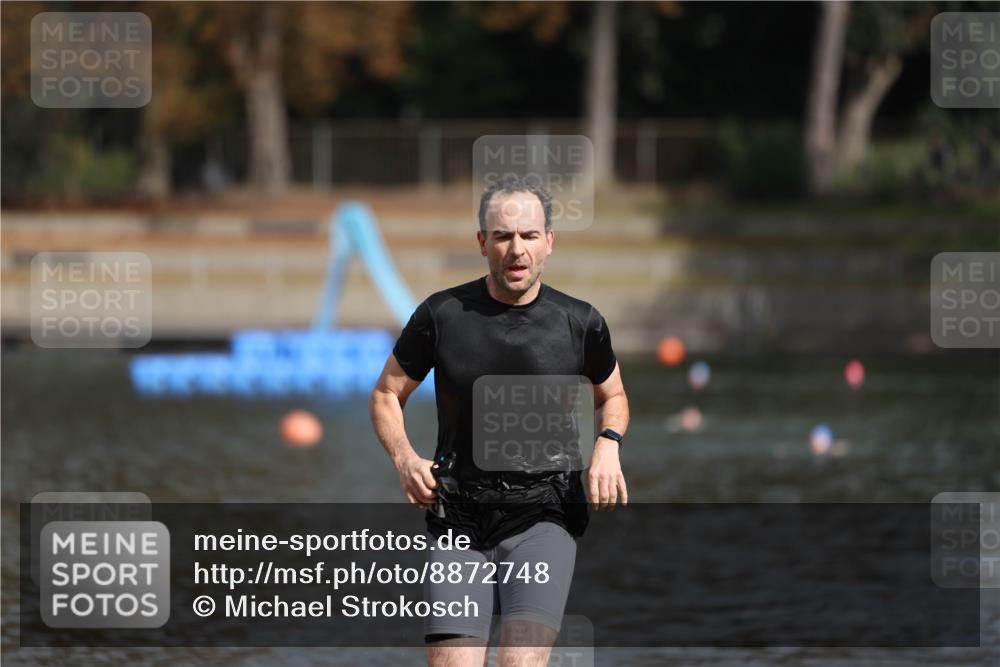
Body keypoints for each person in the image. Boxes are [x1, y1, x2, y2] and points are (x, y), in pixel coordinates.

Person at [370, 175, 629, 667]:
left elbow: (612, 394)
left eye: (529, 236)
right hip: (458, 521)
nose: (517, 249)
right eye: (504, 236)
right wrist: (404, 459)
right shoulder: (441, 315)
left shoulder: (581, 323)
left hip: (544, 516)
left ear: (549, 242)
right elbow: (386, 393)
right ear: (482, 242)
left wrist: (609, 443)